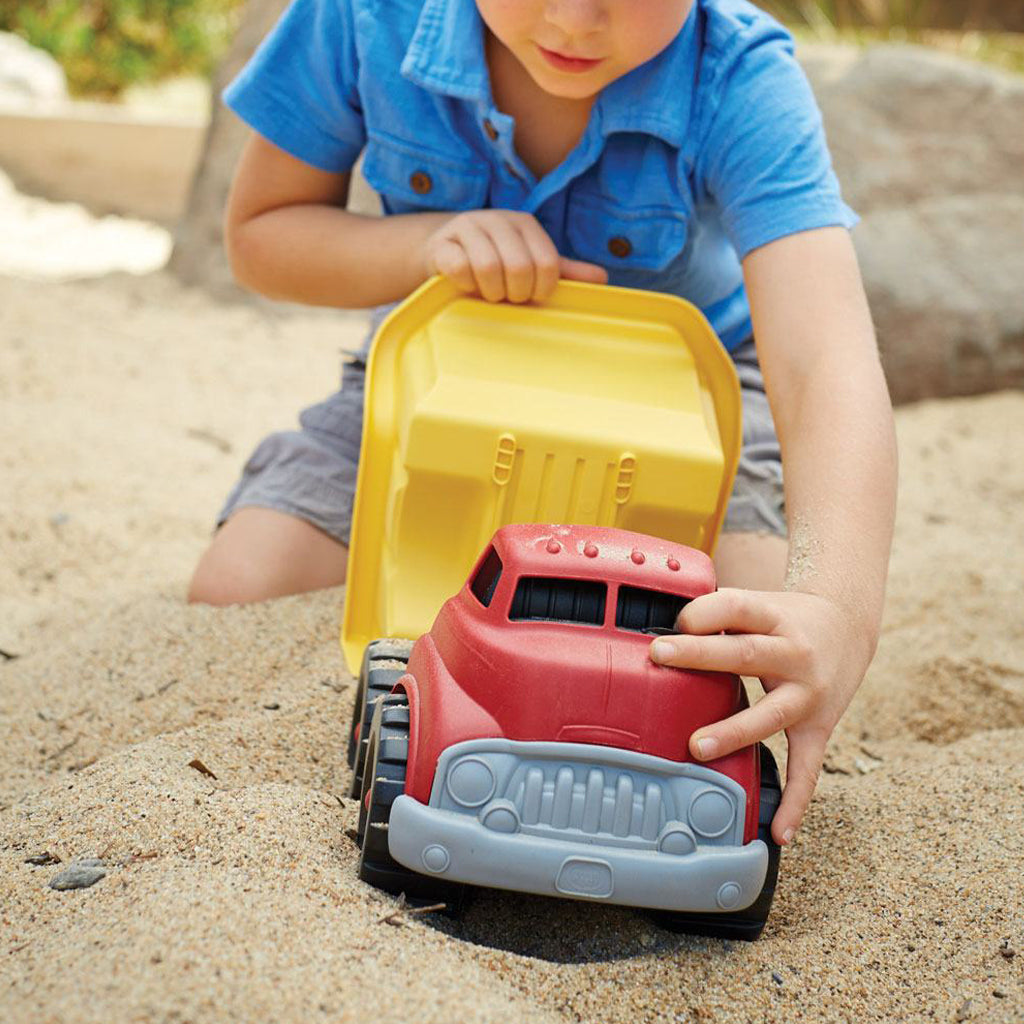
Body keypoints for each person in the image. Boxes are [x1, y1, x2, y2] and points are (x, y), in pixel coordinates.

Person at [188, 0, 898, 850]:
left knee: (748, 644)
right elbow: (260, 235)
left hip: (677, 411)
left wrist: (835, 609)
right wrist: (428, 243)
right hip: (444, 377)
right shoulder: (362, 18)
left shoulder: (736, 74)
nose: (574, 19)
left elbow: (827, 362)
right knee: (237, 589)